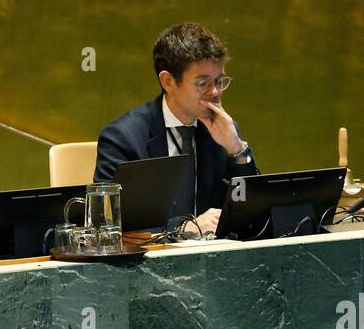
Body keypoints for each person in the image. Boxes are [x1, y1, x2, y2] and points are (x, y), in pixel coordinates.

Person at [93, 22, 259, 234]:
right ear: (168, 81)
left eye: (219, 81)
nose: (216, 92)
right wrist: (181, 228)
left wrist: (237, 151)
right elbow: (108, 223)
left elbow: (252, 214)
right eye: (203, 83)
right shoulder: (124, 138)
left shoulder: (224, 131)